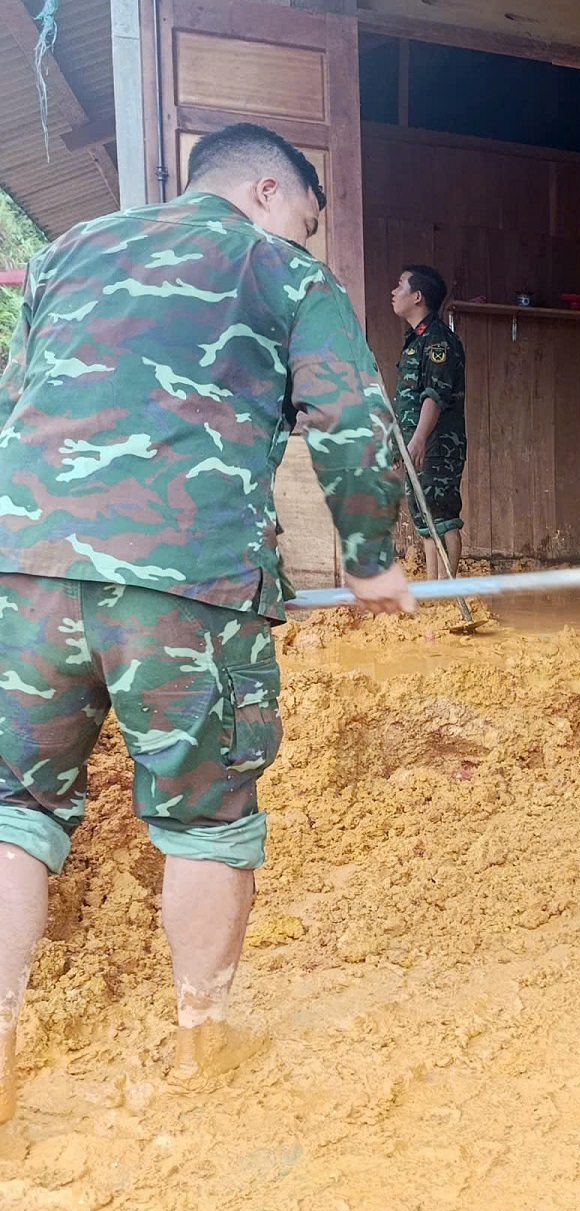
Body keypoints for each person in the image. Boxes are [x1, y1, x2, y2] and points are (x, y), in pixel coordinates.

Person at [0, 122, 412, 1121]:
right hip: (187, 579)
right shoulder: (279, 270)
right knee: (207, 820)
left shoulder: (67, 253)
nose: (307, 237)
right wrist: (370, 556)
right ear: (268, 189)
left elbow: (18, 401)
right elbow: (350, 415)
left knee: (13, 810)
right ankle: (203, 1040)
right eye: (307, 217)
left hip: (24, 573)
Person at [389, 265, 467, 578]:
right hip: (417, 444)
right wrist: (401, 446)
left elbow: (434, 395)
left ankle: (447, 593)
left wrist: (419, 438)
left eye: (400, 285)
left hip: (436, 445)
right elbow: (408, 401)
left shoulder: (438, 341)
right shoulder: (416, 340)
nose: (394, 292)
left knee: (442, 517)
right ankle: (434, 592)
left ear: (417, 296)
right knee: (425, 519)